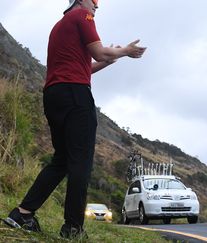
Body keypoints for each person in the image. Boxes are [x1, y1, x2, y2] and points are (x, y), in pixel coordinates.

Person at [3, 0, 146, 239]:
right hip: (75, 95)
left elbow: (85, 67)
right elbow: (99, 50)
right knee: (81, 161)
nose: (97, 5)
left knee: (61, 159)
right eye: (95, 0)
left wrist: (111, 59)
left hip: (54, 94)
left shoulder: (60, 26)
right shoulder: (83, 16)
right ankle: (73, 228)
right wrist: (125, 51)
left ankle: (22, 213)